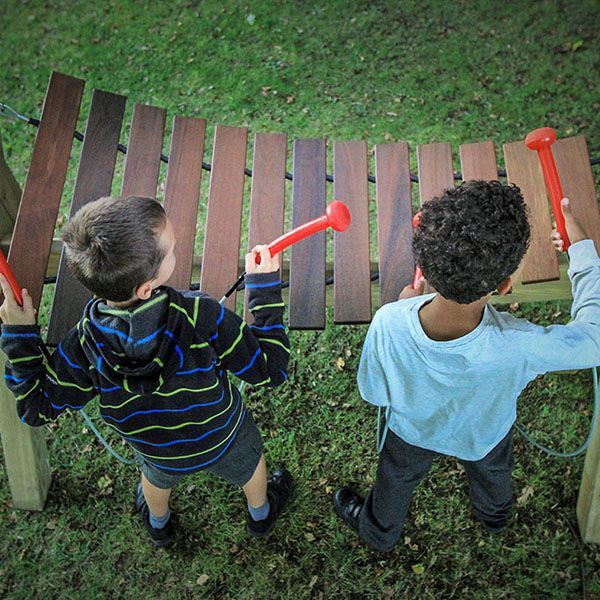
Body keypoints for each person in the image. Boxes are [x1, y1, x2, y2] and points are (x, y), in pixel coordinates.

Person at [0, 195, 293, 547]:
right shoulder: (201, 316)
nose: (176, 248)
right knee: (250, 467)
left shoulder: (82, 346)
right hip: (223, 437)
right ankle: (261, 514)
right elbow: (271, 369)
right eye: (170, 251)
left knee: (154, 479)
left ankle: (159, 524)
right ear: (145, 287)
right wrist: (262, 289)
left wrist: (19, 334)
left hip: (156, 450)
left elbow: (35, 407)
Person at [333, 180, 600, 552]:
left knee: (394, 478)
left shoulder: (388, 321)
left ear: (423, 264)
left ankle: (379, 532)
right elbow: (593, 339)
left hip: (410, 434)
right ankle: (495, 517)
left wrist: (406, 305)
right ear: (504, 285)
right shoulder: (519, 345)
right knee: (493, 475)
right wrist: (583, 251)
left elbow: (374, 392)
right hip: (484, 438)